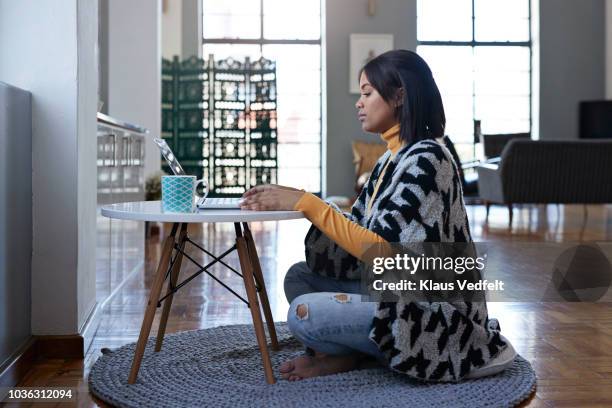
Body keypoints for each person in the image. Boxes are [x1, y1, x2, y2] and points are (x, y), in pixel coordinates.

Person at [240, 49, 516, 382]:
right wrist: (300, 203)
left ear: (399, 95)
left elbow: (385, 252)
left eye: (368, 93)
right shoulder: (389, 161)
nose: (359, 102)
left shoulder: (429, 158)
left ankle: (353, 355)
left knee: (305, 315)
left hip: (434, 315)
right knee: (299, 277)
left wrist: (309, 203)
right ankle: (358, 353)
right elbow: (355, 235)